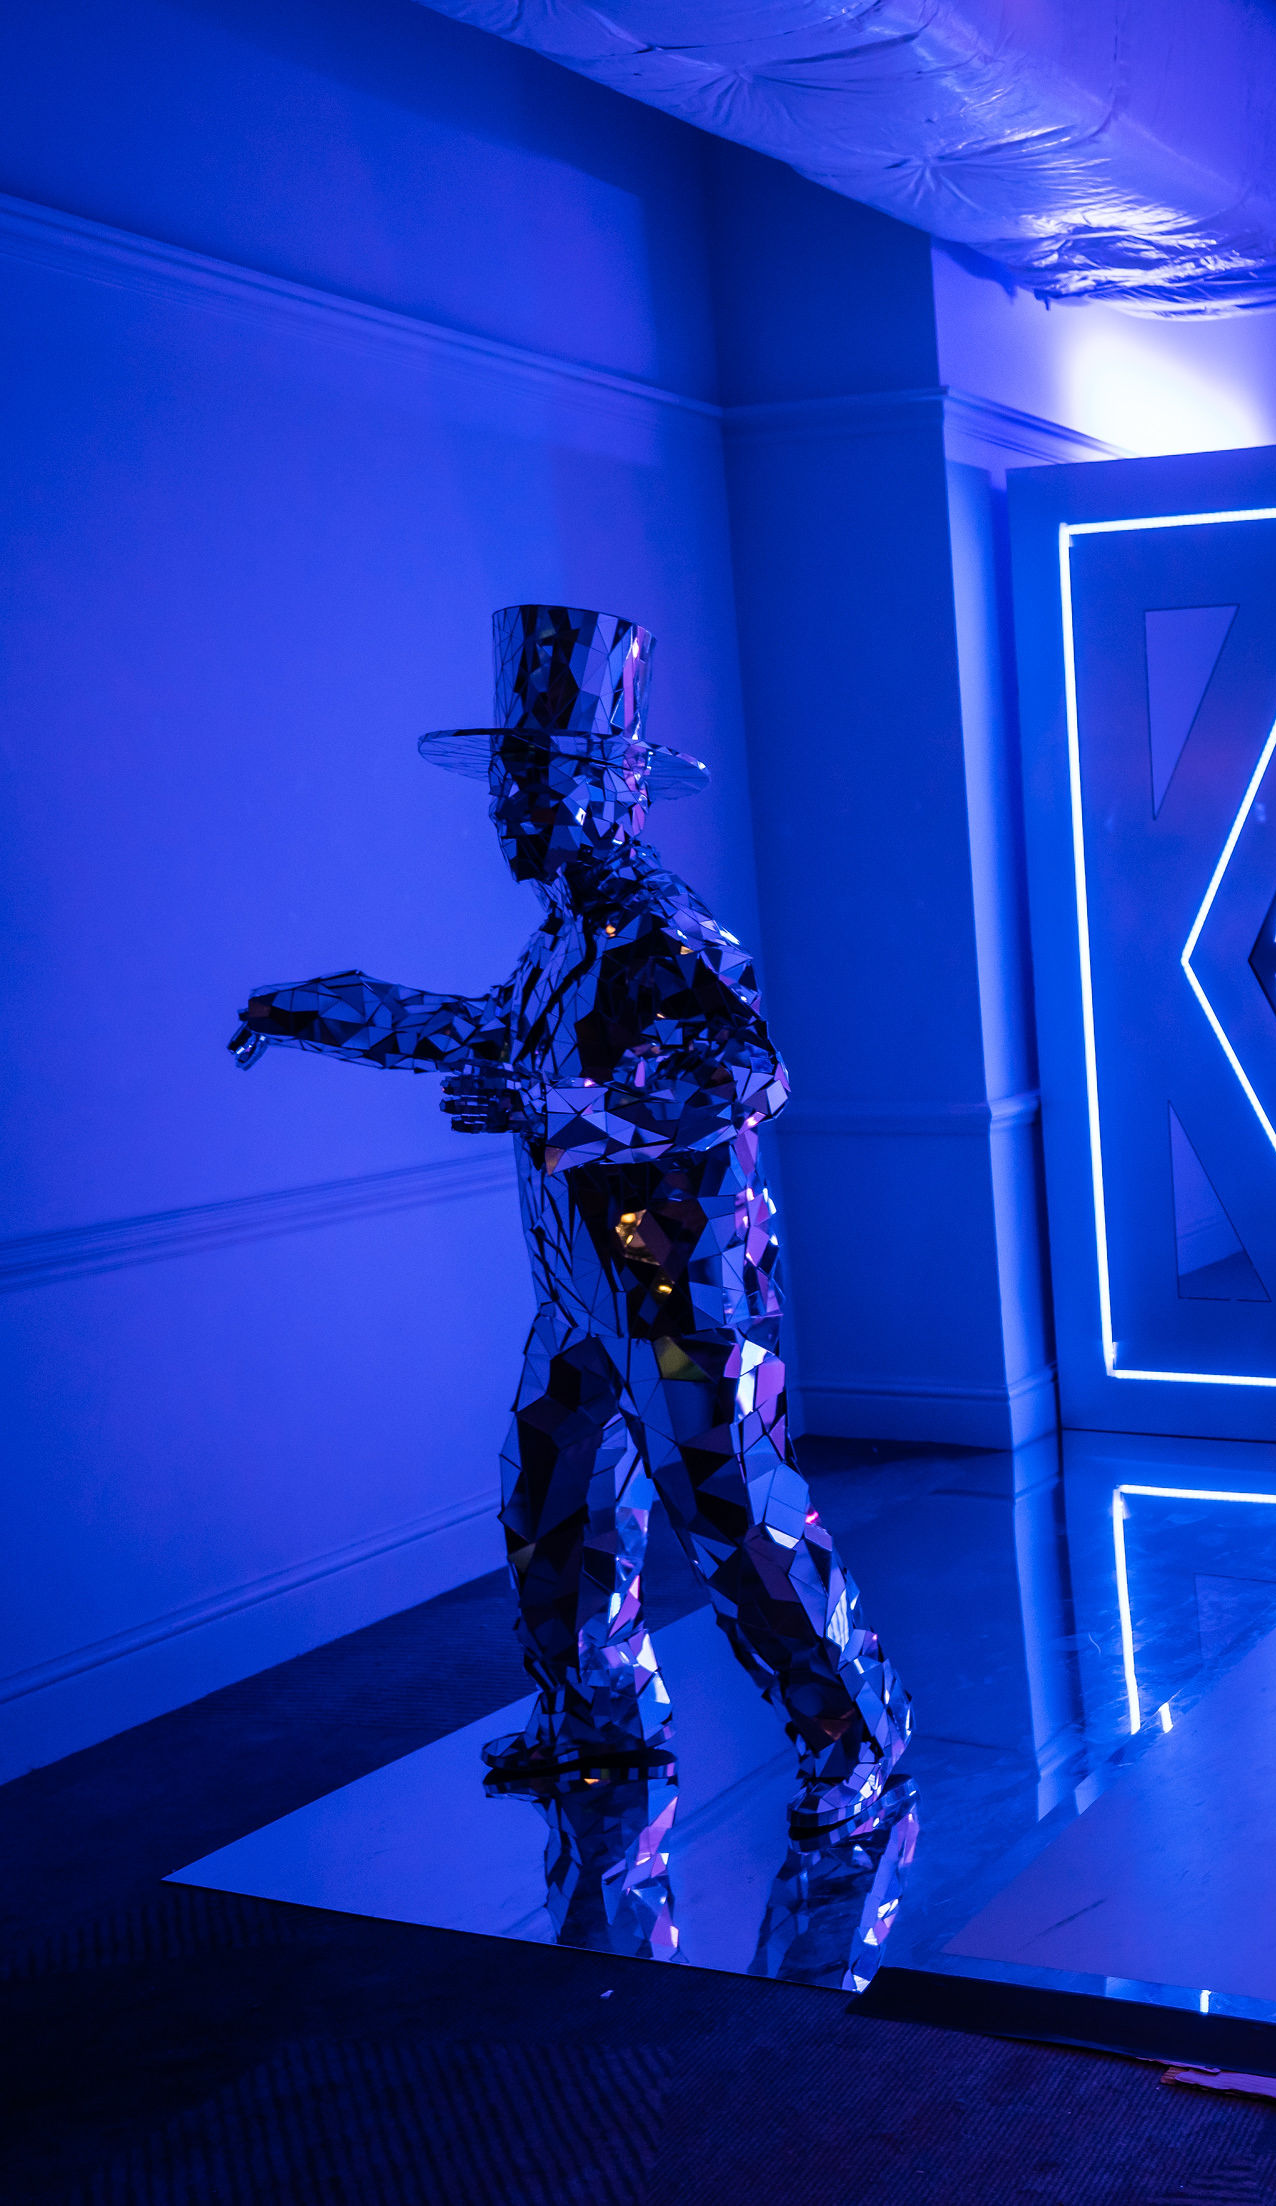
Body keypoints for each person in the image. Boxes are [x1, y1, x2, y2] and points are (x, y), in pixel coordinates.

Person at [233, 608, 916, 1877]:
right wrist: (329, 1012)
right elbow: (495, 1035)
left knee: (735, 1521)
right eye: (506, 787)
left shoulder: (655, 923)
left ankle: (855, 1745)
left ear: (612, 794)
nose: (511, 811)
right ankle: (598, 1715)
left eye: (537, 785)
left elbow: (753, 1073)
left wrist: (570, 1110)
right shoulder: (564, 935)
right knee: (554, 1496)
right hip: (583, 1285)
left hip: (683, 1291)